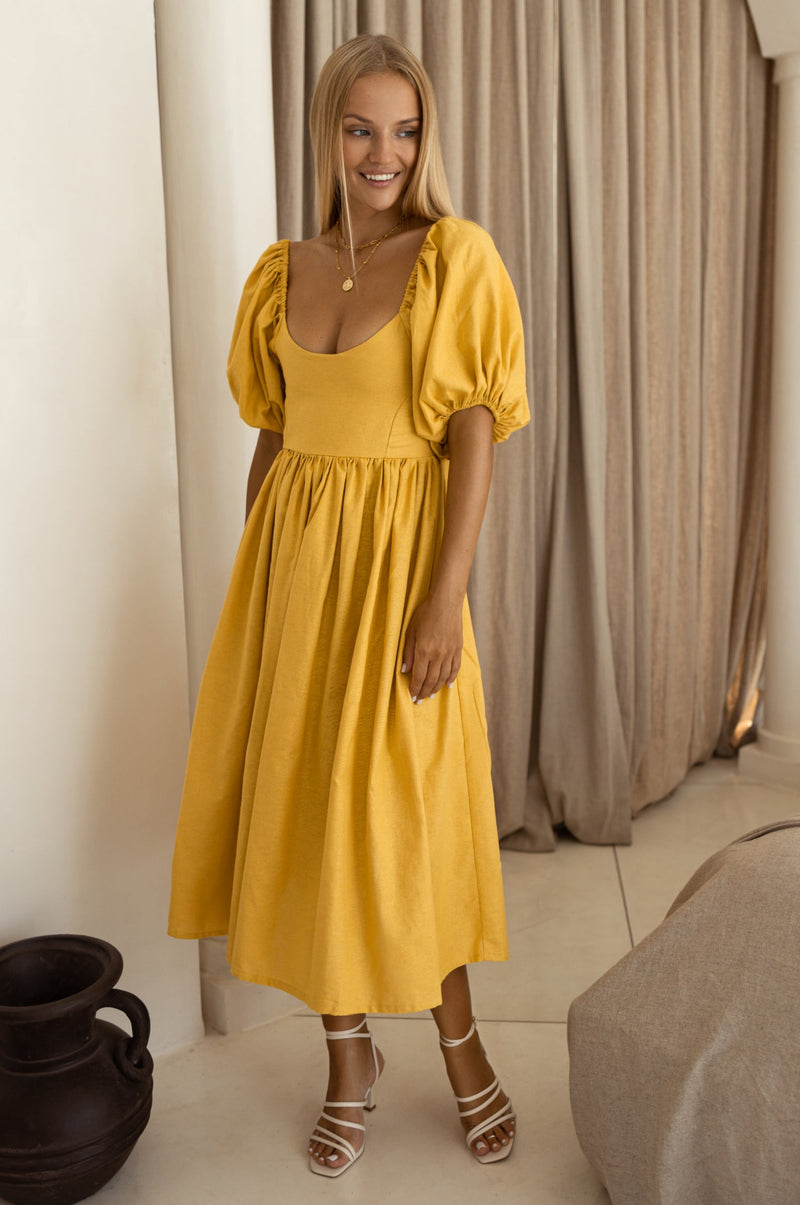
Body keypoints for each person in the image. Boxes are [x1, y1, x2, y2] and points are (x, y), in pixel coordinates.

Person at [168, 33, 529, 1179]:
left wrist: (443, 599)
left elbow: (471, 444)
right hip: (292, 580)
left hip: (399, 577)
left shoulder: (451, 258)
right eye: (361, 127)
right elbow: (272, 435)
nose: (384, 151)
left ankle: (461, 1048)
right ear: (328, 132)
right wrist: (258, 577)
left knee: (404, 825)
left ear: (425, 140)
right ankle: (346, 1058)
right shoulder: (283, 271)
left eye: (405, 128)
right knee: (309, 817)